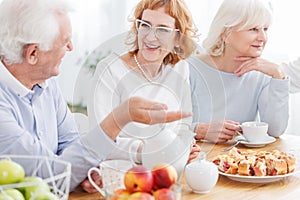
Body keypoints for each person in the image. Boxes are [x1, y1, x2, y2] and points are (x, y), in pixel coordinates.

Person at [0, 0, 191, 193]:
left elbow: (71, 142)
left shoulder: (45, 83)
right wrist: (119, 119)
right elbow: (52, 177)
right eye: (65, 40)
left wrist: (86, 170)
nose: (71, 47)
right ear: (33, 53)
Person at [88, 0, 200, 169]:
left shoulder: (180, 69)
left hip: (168, 168)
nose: (150, 36)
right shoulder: (110, 70)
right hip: (122, 173)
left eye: (162, 29)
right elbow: (98, 141)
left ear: (178, 38)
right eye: (145, 25)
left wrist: (184, 147)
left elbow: (183, 126)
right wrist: (150, 151)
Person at [189, 0, 289, 143]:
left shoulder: (262, 74)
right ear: (226, 34)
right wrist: (198, 130)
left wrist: (279, 75)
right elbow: (164, 128)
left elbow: (275, 130)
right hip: (194, 160)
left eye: (265, 29)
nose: (263, 38)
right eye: (253, 29)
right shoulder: (190, 68)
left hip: (239, 162)